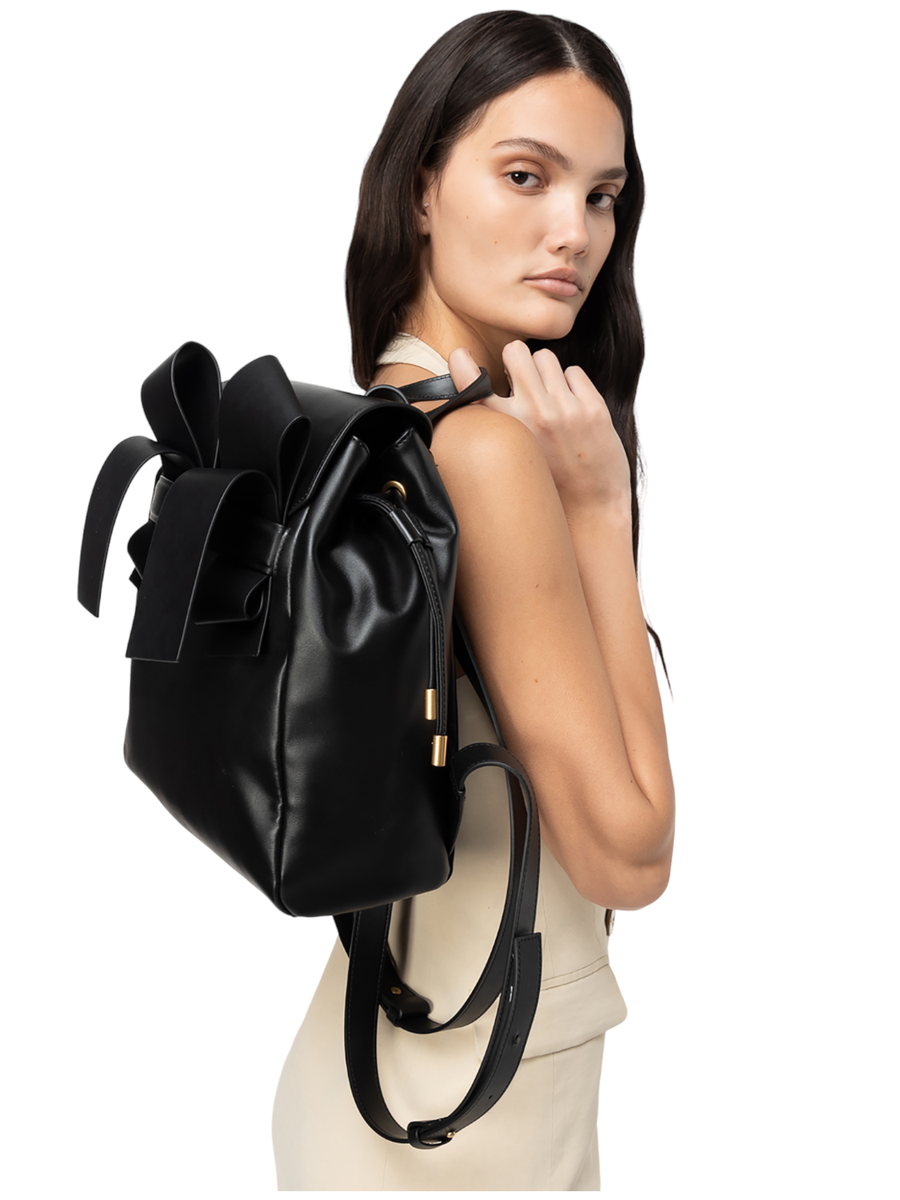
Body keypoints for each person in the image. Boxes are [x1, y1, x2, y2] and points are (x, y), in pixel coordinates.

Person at [272, 10, 675, 1190]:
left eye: (603, 196)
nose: (575, 232)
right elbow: (631, 857)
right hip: (467, 1116)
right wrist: (597, 514)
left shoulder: (374, 422)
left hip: (406, 1069)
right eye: (525, 176)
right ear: (421, 191)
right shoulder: (486, 454)